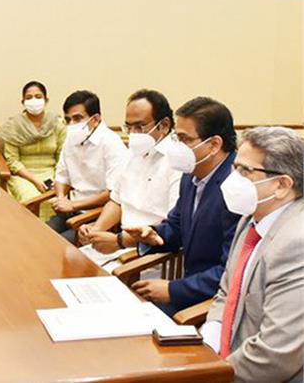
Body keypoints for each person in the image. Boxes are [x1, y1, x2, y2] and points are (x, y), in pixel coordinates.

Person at [200, 127, 303, 382]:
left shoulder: (296, 243)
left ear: (281, 185)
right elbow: (227, 292)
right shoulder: (251, 218)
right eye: (235, 167)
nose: (232, 178)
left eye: (244, 171)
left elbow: (276, 354)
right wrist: (210, 340)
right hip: (230, 359)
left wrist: (213, 374)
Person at [123, 97, 241, 316]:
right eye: (176, 138)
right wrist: (152, 234)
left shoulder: (236, 189)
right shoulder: (191, 175)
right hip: (189, 289)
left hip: (214, 303)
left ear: (214, 145)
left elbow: (232, 271)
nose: (177, 147)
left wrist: (173, 290)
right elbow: (176, 226)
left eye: (184, 139)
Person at [80, 89, 180, 251]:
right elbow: (116, 202)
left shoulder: (177, 162)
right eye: (129, 127)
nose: (133, 134)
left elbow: (172, 227)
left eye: (139, 127)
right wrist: (96, 231)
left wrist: (118, 241)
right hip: (119, 243)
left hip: (150, 252)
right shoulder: (132, 154)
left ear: (164, 125)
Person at [47, 90, 128, 237]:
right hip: (70, 210)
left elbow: (112, 194)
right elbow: (61, 177)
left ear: (95, 119)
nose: (71, 124)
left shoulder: (112, 144)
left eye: (77, 118)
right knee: (37, 236)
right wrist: (60, 198)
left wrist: (72, 205)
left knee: (57, 249)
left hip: (99, 217)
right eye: (68, 119)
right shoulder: (71, 140)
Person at [0, 81, 66, 220]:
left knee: (57, 199)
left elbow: (63, 156)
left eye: (38, 96)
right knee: (32, 199)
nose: (34, 100)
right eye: (29, 97)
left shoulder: (57, 123)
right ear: (23, 101)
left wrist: (58, 180)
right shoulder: (13, 126)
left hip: (53, 174)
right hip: (24, 176)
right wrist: (34, 181)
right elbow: (12, 161)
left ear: (46, 99)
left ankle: (53, 238)